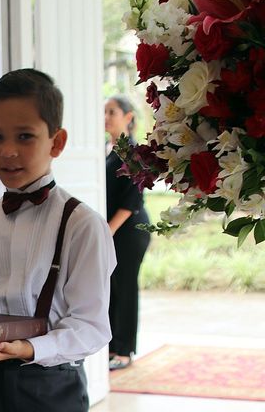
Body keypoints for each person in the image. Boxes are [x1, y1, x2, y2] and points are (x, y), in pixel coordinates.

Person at [0, 69, 116, 412]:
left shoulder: (82, 225)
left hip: (51, 386)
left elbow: (90, 327)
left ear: (57, 142)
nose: (8, 151)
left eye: (24, 137)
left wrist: (31, 348)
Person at [104, 95, 151, 371]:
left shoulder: (134, 152)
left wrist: (107, 231)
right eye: (105, 112)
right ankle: (111, 346)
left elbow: (132, 200)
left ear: (128, 117)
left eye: (112, 112)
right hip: (111, 231)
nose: (107, 117)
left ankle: (124, 350)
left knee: (125, 287)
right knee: (110, 288)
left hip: (129, 231)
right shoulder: (108, 151)